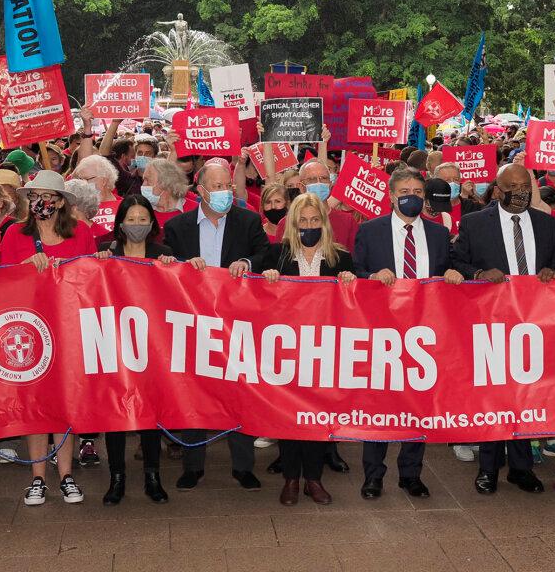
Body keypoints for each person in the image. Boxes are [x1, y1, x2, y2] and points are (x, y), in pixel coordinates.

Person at [452, 163, 555, 494]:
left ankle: (521, 468)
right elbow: (455, 261)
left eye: (526, 186)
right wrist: (478, 274)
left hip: (533, 323)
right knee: (493, 397)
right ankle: (488, 468)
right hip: (492, 322)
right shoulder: (474, 223)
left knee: (526, 396)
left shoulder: (546, 223)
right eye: (514, 187)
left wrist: (550, 271)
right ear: (498, 190)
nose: (522, 192)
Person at [353, 169, 462, 500]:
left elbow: (446, 272)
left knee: (419, 404)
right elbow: (354, 274)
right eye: (405, 190)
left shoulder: (439, 234)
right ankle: (373, 475)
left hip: (424, 336)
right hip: (383, 333)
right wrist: (372, 276)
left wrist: (454, 274)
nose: (411, 195)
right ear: (391, 195)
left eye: (417, 189)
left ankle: (410, 474)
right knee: (380, 406)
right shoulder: (369, 232)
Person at [163, 159, 270, 491]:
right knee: (194, 392)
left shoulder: (249, 221)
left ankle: (243, 466)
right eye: (219, 186)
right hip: (193, 323)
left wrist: (247, 263)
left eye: (229, 186)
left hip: (237, 324)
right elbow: (163, 268)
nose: (227, 192)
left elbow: (265, 253)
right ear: (201, 190)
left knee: (238, 391)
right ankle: (193, 465)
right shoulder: (177, 227)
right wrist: (180, 265)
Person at [0, 171, 96, 506]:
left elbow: (92, 279)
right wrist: (26, 266)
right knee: (36, 404)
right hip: (29, 331)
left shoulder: (81, 232)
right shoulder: (14, 235)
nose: (42, 202)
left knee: (66, 403)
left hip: (69, 328)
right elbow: (2, 282)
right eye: (35, 195)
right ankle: (38, 477)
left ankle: (66, 474)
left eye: (49, 196)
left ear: (61, 202)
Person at [263, 193, 356, 505]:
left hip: (324, 350)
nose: (309, 226)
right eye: (303, 221)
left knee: (318, 416)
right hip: (286, 350)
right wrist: (267, 279)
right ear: (292, 224)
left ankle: (313, 479)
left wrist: (349, 281)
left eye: (315, 220)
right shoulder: (277, 256)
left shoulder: (340, 258)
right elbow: (252, 289)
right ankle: (291, 478)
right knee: (288, 416)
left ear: (324, 224)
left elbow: (354, 304)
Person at [95, 195, 176, 505]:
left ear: (152, 223)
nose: (137, 225)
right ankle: (117, 478)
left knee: (150, 412)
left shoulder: (164, 253)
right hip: (115, 343)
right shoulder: (106, 253)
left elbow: (178, 293)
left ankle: (152, 476)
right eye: (131, 219)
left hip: (152, 344)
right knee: (115, 413)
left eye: (143, 219)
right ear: (120, 224)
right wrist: (98, 266)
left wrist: (175, 268)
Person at [274, 160, 359, 251]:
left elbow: (354, 260)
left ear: (330, 185)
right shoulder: (287, 223)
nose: (319, 183)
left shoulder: (348, 221)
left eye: (324, 178)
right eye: (312, 179)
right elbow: (282, 259)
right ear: (301, 187)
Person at [140, 158, 196, 236]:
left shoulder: (195, 211)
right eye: (143, 180)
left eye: (147, 180)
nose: (143, 185)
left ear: (166, 183)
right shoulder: (141, 212)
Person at [73, 154, 121, 232]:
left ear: (104, 181)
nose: (82, 184)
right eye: (80, 180)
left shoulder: (125, 206)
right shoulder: (77, 208)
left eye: (86, 179)